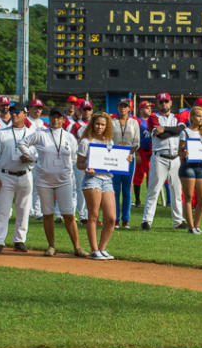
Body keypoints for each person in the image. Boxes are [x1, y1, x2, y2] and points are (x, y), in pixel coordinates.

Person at [19, 107, 86, 257]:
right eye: (53, 117)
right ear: (49, 119)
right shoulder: (41, 135)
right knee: (48, 214)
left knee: (68, 214)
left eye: (59, 117)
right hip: (44, 181)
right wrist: (33, 157)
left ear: (63, 119)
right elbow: (22, 144)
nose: (56, 120)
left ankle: (77, 247)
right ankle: (51, 246)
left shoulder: (69, 137)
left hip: (64, 180)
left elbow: (74, 157)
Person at [0, 103, 34, 253]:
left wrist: (30, 159)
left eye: (17, 112)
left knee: (23, 209)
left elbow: (38, 154)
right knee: (2, 209)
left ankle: (20, 240)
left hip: (25, 174)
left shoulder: (32, 133)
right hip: (5, 175)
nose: (13, 114)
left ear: (25, 115)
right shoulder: (2, 133)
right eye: (12, 112)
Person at [77, 111, 124, 259]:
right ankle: (94, 249)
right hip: (92, 179)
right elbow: (79, 163)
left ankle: (102, 248)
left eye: (103, 125)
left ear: (107, 126)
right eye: (97, 124)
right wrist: (86, 167)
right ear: (92, 124)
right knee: (94, 215)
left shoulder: (109, 142)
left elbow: (114, 162)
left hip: (107, 180)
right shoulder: (86, 142)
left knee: (111, 218)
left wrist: (125, 160)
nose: (99, 127)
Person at [141, 92, 186, 230]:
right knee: (154, 190)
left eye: (166, 101)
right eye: (161, 102)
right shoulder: (153, 117)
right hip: (159, 157)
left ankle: (178, 221)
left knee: (177, 191)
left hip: (175, 158)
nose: (164, 104)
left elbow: (180, 129)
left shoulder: (177, 116)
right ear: (158, 104)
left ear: (171, 103)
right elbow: (160, 136)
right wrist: (174, 131)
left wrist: (165, 129)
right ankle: (147, 220)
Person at [178, 104, 202, 234]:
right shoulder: (185, 132)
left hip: (201, 167)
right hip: (188, 167)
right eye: (198, 116)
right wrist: (184, 152)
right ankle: (191, 227)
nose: (201, 119)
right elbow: (179, 151)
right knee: (188, 197)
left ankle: (197, 225)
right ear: (192, 117)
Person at [111, 97, 140, 229]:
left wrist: (130, 153)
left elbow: (136, 141)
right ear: (118, 107)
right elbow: (108, 140)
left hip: (129, 158)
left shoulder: (134, 123)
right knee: (115, 189)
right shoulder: (112, 122)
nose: (122, 108)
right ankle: (115, 219)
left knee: (127, 190)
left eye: (125, 106)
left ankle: (126, 220)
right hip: (115, 158)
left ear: (129, 108)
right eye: (120, 105)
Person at [133, 100, 153, 207]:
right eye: (146, 107)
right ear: (141, 109)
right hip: (141, 151)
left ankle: (151, 200)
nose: (149, 109)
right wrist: (136, 153)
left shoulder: (153, 120)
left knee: (152, 176)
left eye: (150, 107)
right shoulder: (138, 121)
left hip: (152, 152)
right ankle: (137, 200)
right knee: (138, 176)